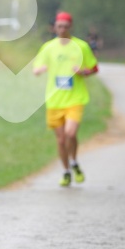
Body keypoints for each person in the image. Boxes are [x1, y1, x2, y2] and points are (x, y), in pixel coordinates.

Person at [33, 12, 98, 187]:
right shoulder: (48, 47)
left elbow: (94, 68)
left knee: (71, 133)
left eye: (65, 26)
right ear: (54, 27)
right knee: (61, 140)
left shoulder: (81, 46)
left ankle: (74, 160)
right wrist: (39, 70)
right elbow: (36, 66)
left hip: (75, 98)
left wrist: (83, 72)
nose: (61, 29)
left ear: (70, 27)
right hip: (54, 100)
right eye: (59, 26)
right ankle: (66, 170)